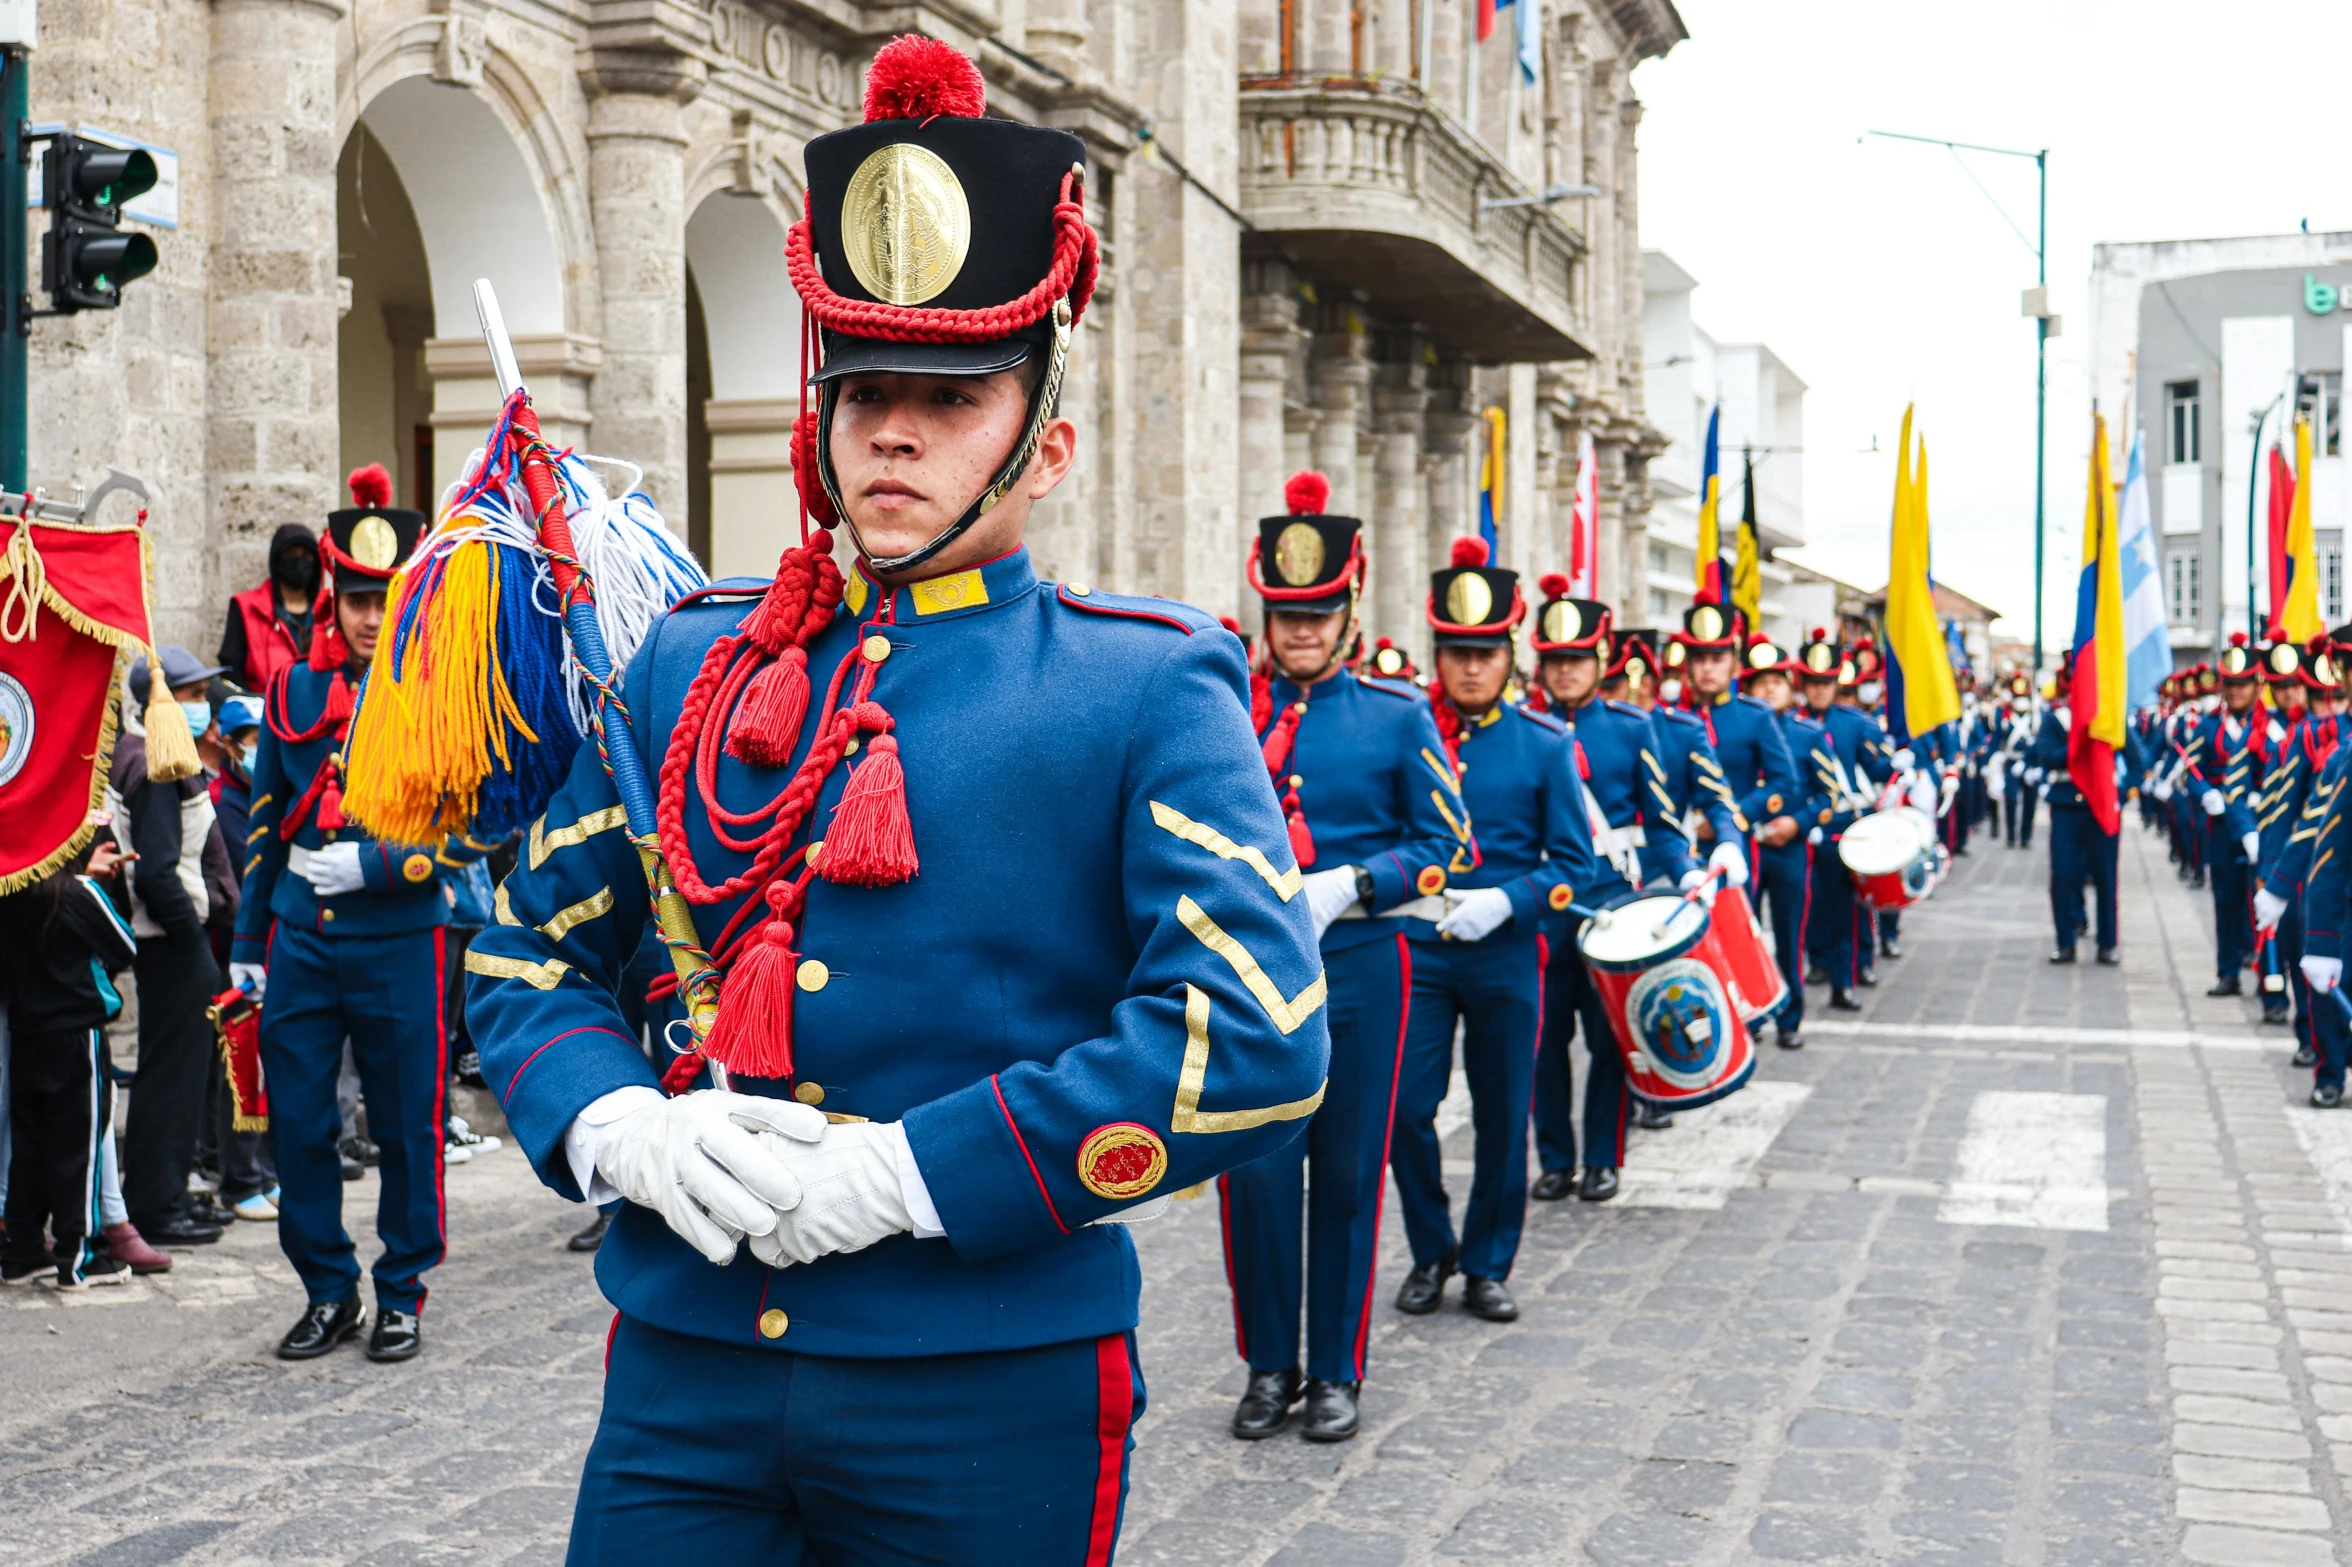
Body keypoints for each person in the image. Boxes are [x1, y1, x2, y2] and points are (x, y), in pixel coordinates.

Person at [468, 38, 1331, 1552]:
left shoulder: (1139, 684)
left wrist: (912, 1170)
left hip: (985, 1376)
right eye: (864, 386)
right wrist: (616, 1125)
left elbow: (1251, 1036)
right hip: (689, 1365)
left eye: (952, 392)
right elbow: (528, 956)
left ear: (1046, 439)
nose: (895, 426)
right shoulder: (689, 666)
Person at [1217, 472, 1462, 1442]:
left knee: (1349, 1173)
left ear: (1349, 608)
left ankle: (1335, 1371)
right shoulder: (1224, 705)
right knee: (1257, 1178)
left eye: (1318, 612)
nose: (1302, 628)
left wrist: (1355, 883)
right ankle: (1268, 1367)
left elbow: (1448, 847)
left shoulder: (1399, 714)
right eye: (1286, 612)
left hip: (1362, 969)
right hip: (1249, 975)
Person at [232, 469, 480, 1363]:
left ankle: (403, 1290)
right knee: (298, 1122)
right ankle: (327, 1288)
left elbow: (478, 824)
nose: (372, 617)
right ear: (334, 599)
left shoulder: (440, 694)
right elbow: (264, 819)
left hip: (400, 936)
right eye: (359, 599)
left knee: (407, 1123)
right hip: (302, 936)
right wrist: (248, 943)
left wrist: (380, 863)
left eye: (387, 599)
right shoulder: (293, 690)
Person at [1388, 553, 1595, 1327]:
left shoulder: (1543, 744)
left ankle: (1486, 1261)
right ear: (1438, 655)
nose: (1472, 668)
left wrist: (1508, 900)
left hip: (1507, 951)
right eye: (1457, 653)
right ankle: (1430, 1246)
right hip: (1423, 951)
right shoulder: (1408, 731)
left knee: (1506, 1113)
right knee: (1405, 1108)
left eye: (1486, 653)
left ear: (1511, 656)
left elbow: (1576, 863)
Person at [1525, 591, 1699, 1205]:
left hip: (1611, 907)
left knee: (1608, 1040)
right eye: (1554, 661)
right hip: (1545, 910)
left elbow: (1662, 821)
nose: (1565, 671)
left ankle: (1603, 1157)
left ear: (1599, 661)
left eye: (1576, 659)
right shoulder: (1525, 728)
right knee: (1543, 1041)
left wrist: (1687, 870)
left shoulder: (1632, 727)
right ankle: (1554, 1157)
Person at [112, 646, 237, 1248]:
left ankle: (168, 1192)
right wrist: (193, 940)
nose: (199, 706)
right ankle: (158, 1206)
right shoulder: (155, 762)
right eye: (189, 696)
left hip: (178, 941)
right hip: (174, 943)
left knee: (181, 1074)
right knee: (171, 1075)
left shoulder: (158, 755)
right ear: (158, 704)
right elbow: (158, 872)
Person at [0, 841, 139, 1288]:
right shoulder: (78, 891)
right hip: (76, 1035)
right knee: (79, 1144)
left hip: (25, 1031)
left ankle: (21, 1252)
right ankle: (78, 1257)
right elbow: (124, 945)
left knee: (30, 1144)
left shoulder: (11, 890)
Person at [2256, 634, 2352, 1068]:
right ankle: (2325, 1063)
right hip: (2324, 870)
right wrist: (2274, 878)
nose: (2316, 702)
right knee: (2316, 964)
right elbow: (2294, 814)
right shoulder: (2315, 740)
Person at [1797, 631, 1886, 1010]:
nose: (1820, 690)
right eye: (1813, 683)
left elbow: (1875, 766)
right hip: (1806, 826)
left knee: (1848, 907)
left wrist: (1900, 761)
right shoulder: (1790, 723)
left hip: (1845, 826)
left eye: (1826, 683)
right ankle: (1816, 962)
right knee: (1811, 903)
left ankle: (1845, 978)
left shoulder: (1853, 722)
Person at [1741, 634, 1822, 1048]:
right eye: (1760, 682)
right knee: (1744, 936)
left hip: (1789, 848)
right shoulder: (1736, 730)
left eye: (1777, 681)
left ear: (1791, 689)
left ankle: (1790, 1018)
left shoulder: (1807, 735)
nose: (1769, 689)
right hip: (1744, 848)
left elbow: (1827, 796)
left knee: (1790, 936)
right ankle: (1750, 1012)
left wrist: (1797, 821)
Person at [2179, 634, 2267, 995]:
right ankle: (2227, 971)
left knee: (2262, 902)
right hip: (2220, 825)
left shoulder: (2268, 725)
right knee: (2226, 899)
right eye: (2230, 685)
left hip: (2260, 823)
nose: (2235, 692)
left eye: (2242, 685)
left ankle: (2268, 977)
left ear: (2256, 686)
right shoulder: (2210, 725)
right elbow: (2190, 769)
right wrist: (2206, 794)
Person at [218, 523, 322, 691]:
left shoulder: (329, 611)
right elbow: (231, 672)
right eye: (291, 555)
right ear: (277, 561)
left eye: (306, 556)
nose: (299, 562)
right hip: (261, 710)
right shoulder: (246, 608)